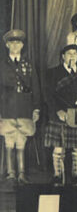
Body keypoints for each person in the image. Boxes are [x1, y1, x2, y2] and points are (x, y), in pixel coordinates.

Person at [44, 44, 77, 185]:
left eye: (75, 53)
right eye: (69, 53)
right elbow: (48, 95)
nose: (72, 56)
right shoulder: (53, 73)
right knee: (58, 147)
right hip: (60, 115)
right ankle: (57, 176)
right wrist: (57, 111)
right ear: (63, 57)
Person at [0, 29, 40, 183]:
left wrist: (36, 108)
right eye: (12, 42)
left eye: (18, 42)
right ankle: (11, 173)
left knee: (22, 139)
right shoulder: (2, 64)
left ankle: (21, 173)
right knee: (9, 139)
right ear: (7, 45)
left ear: (22, 45)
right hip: (6, 108)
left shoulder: (28, 64)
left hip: (25, 108)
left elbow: (35, 86)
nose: (15, 45)